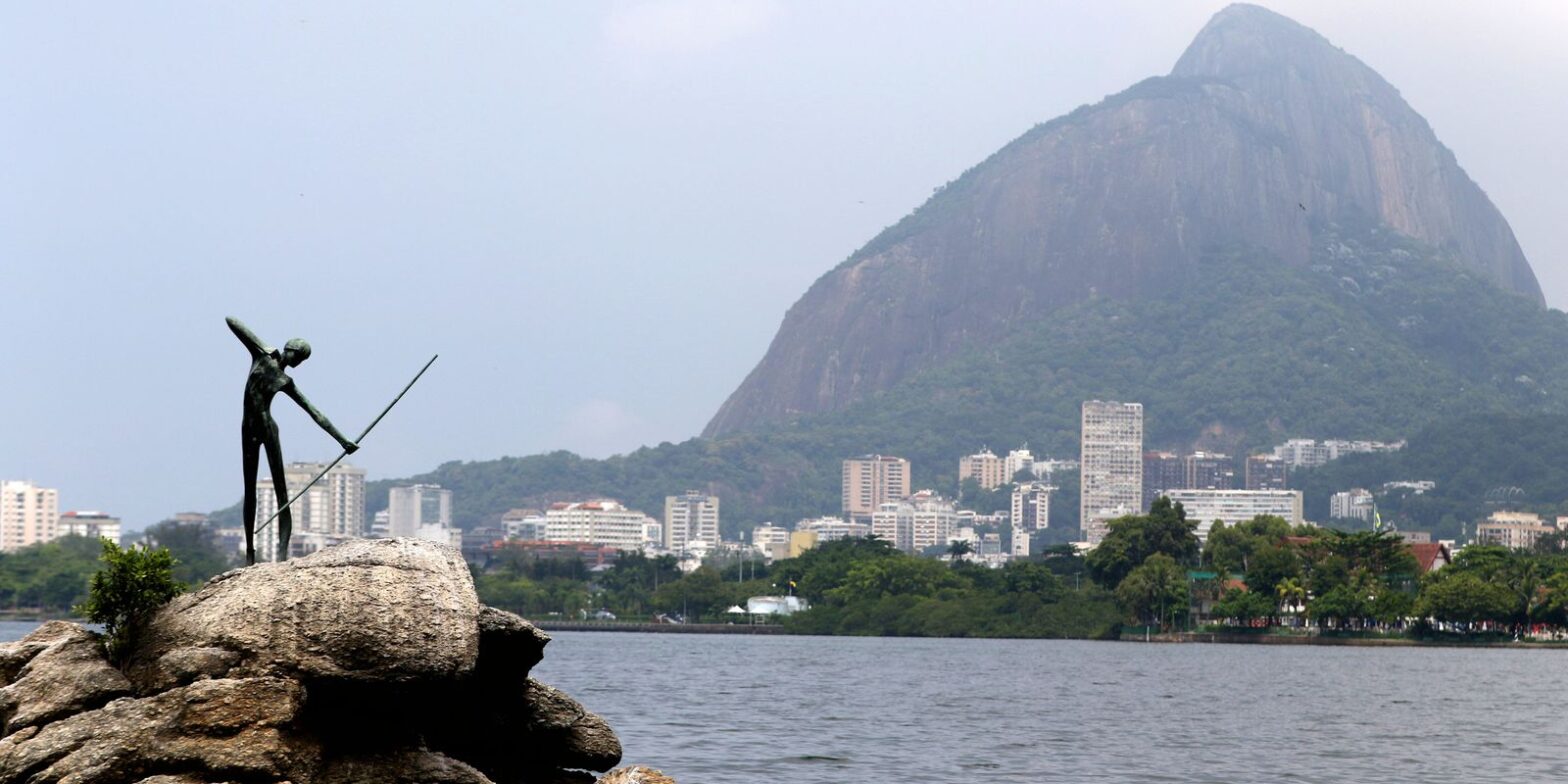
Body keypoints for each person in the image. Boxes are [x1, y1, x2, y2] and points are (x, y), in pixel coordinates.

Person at [227, 317, 358, 564]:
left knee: (281, 493)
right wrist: (261, 344)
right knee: (250, 491)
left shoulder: (286, 381)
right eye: (301, 358)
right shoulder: (262, 356)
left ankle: (282, 554)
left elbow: (315, 413)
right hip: (248, 429)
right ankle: (250, 554)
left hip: (268, 428)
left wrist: (343, 441)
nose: (299, 364)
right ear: (293, 352)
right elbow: (232, 321)